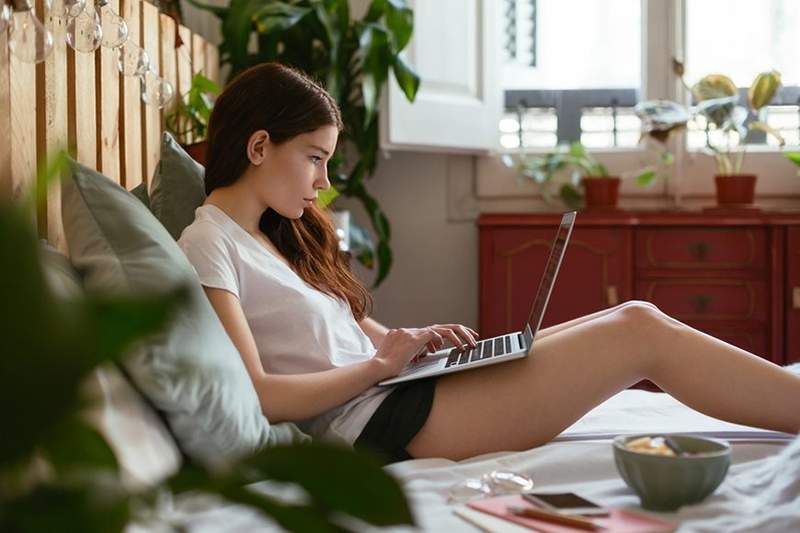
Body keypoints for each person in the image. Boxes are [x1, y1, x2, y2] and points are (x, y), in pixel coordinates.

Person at [178, 62, 800, 464]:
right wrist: (376, 368)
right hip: (384, 425)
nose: (323, 180)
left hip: (401, 392)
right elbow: (259, 396)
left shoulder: (274, 238)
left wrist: (409, 346)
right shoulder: (211, 244)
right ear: (260, 146)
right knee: (639, 330)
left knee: (629, 317)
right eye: (314, 158)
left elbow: (353, 336)